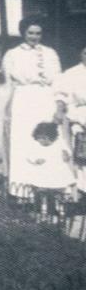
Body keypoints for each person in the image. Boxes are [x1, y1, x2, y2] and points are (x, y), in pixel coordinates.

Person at [0, 17, 62, 199]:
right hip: (23, 100)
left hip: (45, 100)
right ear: (23, 33)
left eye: (38, 33)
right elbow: (6, 83)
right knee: (23, 141)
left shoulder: (51, 53)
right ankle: (21, 189)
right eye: (30, 33)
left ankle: (47, 187)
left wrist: (58, 104)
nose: (34, 37)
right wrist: (7, 108)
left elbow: (57, 80)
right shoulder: (12, 54)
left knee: (46, 140)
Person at [54, 44, 86, 198]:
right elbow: (61, 96)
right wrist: (60, 110)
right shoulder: (71, 74)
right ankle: (78, 193)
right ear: (80, 54)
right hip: (78, 116)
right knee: (79, 158)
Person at [25, 122, 75, 215]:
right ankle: (38, 212)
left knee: (53, 194)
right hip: (42, 173)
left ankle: (53, 213)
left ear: (52, 137)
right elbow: (29, 156)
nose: (41, 141)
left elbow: (68, 155)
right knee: (39, 192)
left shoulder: (59, 144)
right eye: (39, 138)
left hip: (56, 173)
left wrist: (66, 155)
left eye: (44, 138)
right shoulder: (37, 146)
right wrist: (35, 161)